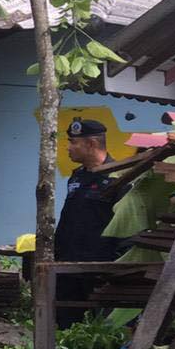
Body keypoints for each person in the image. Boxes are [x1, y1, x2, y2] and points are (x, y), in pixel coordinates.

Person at [54, 117, 121, 328]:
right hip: (68, 263)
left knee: (102, 326)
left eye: (74, 142)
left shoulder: (118, 177)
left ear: (91, 144)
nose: (68, 147)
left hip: (100, 266)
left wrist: (119, 265)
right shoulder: (77, 177)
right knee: (65, 322)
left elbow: (126, 226)